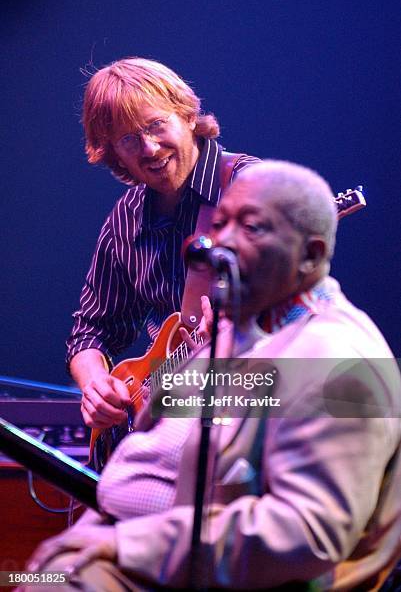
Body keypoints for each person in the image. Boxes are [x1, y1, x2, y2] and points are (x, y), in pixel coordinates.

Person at [26, 161, 401, 590]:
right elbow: (151, 443)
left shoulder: (338, 362)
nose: (219, 241)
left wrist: (126, 545)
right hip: (119, 547)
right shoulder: (239, 334)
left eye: (252, 227)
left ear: (311, 255)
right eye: (220, 223)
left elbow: (307, 532)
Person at [66, 57, 260, 429]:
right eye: (128, 139)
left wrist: (239, 329)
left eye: (157, 125)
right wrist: (94, 386)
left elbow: (298, 303)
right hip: (168, 420)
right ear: (113, 152)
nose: (149, 148)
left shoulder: (251, 187)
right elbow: (90, 330)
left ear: (187, 116)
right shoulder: (126, 218)